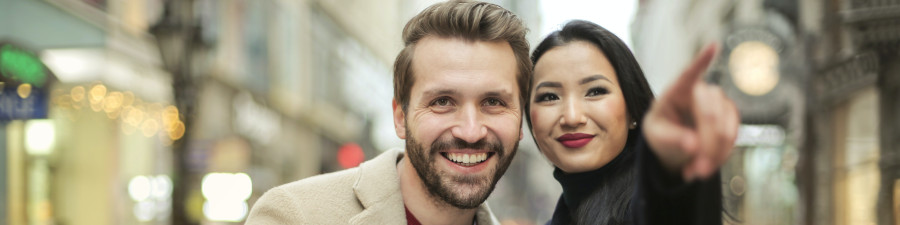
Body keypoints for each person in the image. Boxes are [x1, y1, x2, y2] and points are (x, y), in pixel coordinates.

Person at [245, 1, 531, 224]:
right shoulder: (294, 216)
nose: (470, 131)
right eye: (443, 102)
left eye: (494, 102)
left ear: (520, 121)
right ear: (400, 117)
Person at [526, 20, 739, 224]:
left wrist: (675, 168)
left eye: (595, 91)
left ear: (632, 110)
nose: (572, 117)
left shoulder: (649, 210)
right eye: (549, 97)